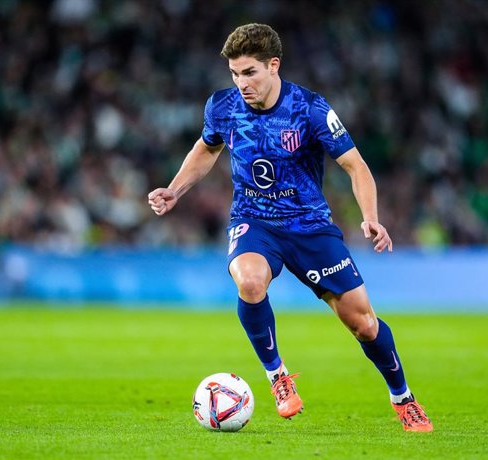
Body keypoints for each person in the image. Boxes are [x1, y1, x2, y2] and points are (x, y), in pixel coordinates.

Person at [148, 23, 432, 432]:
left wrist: (370, 216)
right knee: (249, 281)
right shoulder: (222, 107)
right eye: (234, 73)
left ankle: (402, 398)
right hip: (254, 220)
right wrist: (176, 190)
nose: (240, 83)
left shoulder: (310, 109)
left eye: (249, 72)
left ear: (273, 65)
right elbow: (206, 148)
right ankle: (277, 376)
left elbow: (355, 165)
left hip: (310, 227)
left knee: (364, 323)